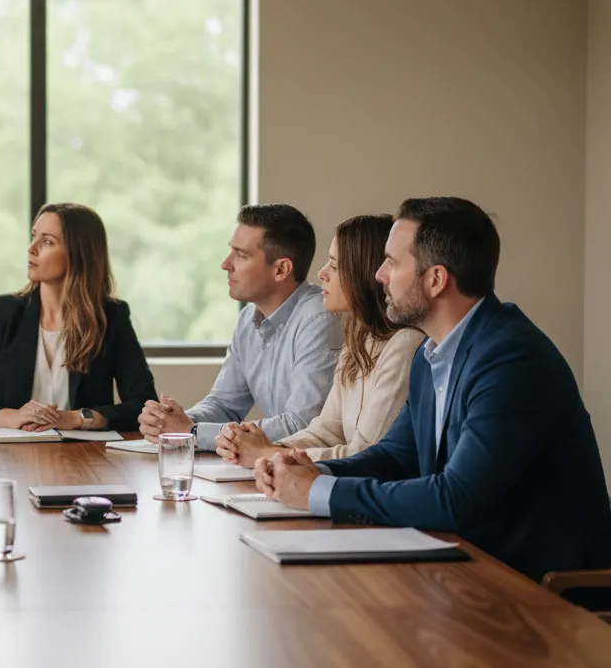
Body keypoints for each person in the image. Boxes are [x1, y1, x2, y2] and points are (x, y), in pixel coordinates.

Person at [256, 197, 611, 587]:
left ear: (436, 279)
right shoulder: (431, 354)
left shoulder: (511, 359)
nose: (378, 275)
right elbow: (396, 455)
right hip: (471, 569)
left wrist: (318, 491)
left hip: (544, 591)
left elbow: (456, 498)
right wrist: (311, 470)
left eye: (391, 262)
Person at [220, 215, 425, 465]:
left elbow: (365, 454)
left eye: (335, 266)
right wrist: (270, 446)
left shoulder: (404, 344)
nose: (321, 273)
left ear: (365, 274)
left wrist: (270, 454)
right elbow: (326, 432)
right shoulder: (359, 343)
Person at [138, 204, 342, 452]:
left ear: (280, 269)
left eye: (241, 255)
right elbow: (225, 405)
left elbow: (301, 424)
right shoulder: (248, 319)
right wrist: (171, 422)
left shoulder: (318, 318)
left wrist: (191, 432)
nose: (226, 264)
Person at [0, 203, 157, 432]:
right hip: (12, 459)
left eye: (48, 241)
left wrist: (77, 418)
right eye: (34, 237)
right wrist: (13, 417)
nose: (31, 249)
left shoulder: (110, 317)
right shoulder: (3, 313)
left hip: (85, 460)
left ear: (78, 254)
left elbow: (144, 406)